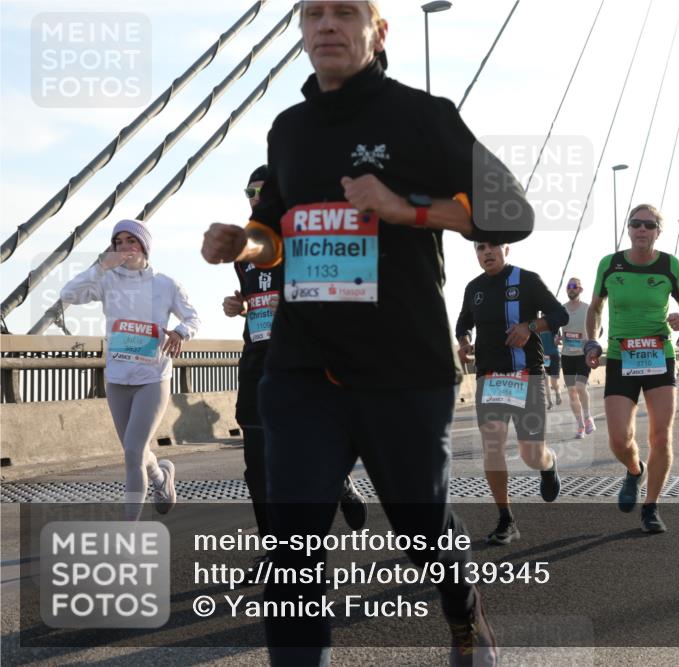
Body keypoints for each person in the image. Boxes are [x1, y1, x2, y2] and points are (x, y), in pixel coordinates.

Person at [200, 2, 532, 664]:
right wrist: (246, 240)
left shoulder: (422, 117)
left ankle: (464, 613)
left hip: (403, 367)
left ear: (378, 32)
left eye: (345, 11)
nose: (327, 23)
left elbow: (511, 213)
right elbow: (275, 232)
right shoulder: (288, 130)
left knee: (420, 527)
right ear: (300, 31)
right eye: (313, 13)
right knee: (291, 544)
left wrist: (403, 209)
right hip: (300, 369)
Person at [222, 165, 367, 563]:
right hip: (255, 361)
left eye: (261, 190)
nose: (253, 196)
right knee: (256, 463)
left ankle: (337, 482)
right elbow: (252, 298)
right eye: (248, 190)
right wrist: (237, 306)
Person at [62, 219, 200, 519]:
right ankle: (161, 477)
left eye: (131, 241)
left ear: (145, 246)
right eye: (118, 242)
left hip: (153, 378)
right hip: (117, 378)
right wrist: (101, 266)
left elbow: (193, 319)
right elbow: (68, 295)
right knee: (133, 450)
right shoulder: (106, 280)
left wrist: (179, 333)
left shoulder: (166, 284)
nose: (125, 247)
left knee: (133, 453)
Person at [584, 204, 679, 534]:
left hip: (658, 356)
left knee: (661, 436)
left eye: (649, 225)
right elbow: (595, 307)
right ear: (629, 228)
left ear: (658, 232)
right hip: (622, 357)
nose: (641, 229)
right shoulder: (610, 264)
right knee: (619, 439)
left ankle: (651, 507)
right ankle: (635, 470)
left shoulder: (668, 265)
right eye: (636, 224)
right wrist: (592, 341)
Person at [456, 242, 567, 545]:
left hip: (527, 376)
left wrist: (530, 326)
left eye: (492, 247)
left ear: (506, 248)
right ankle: (506, 518)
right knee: (492, 446)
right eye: (480, 248)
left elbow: (559, 314)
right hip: (489, 378)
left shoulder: (527, 280)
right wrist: (465, 343)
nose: (486, 253)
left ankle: (548, 463)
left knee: (531, 455)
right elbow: (463, 324)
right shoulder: (474, 287)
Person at [559, 277, 597, 438]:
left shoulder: (588, 309)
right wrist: (557, 338)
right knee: (572, 392)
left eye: (574, 286)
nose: (571, 289)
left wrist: (592, 344)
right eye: (569, 286)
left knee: (580, 387)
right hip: (567, 356)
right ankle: (580, 426)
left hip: (583, 355)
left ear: (580, 290)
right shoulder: (561, 309)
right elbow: (558, 331)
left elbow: (597, 329)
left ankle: (588, 417)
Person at [540, 330, 562, 410]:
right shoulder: (538, 326)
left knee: (553, 383)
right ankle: (550, 402)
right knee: (545, 382)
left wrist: (557, 340)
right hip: (543, 357)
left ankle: (557, 392)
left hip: (554, 356)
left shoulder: (555, 326)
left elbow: (559, 341)